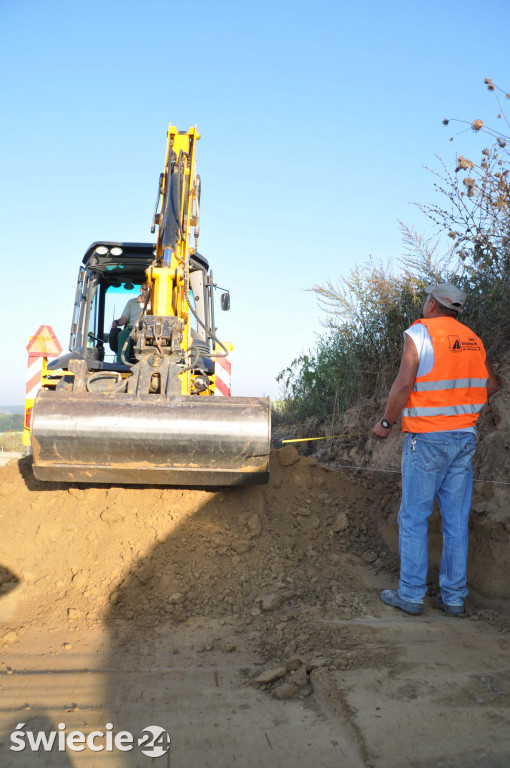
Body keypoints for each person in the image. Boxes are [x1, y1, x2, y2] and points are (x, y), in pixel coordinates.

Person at [372, 282, 499, 617]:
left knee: (413, 517)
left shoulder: (420, 333)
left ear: (431, 304)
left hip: (427, 439)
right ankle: (454, 598)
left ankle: (411, 595)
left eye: (426, 299)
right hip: (464, 439)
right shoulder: (473, 340)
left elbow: (403, 384)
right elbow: (492, 385)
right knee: (456, 520)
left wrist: (386, 423)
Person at [111, 283, 150, 364]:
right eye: (145, 289)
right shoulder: (131, 303)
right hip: (133, 330)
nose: (147, 292)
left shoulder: (156, 303)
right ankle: (121, 364)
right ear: (141, 289)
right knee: (122, 334)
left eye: (149, 290)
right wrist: (117, 322)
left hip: (149, 331)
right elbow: (123, 319)